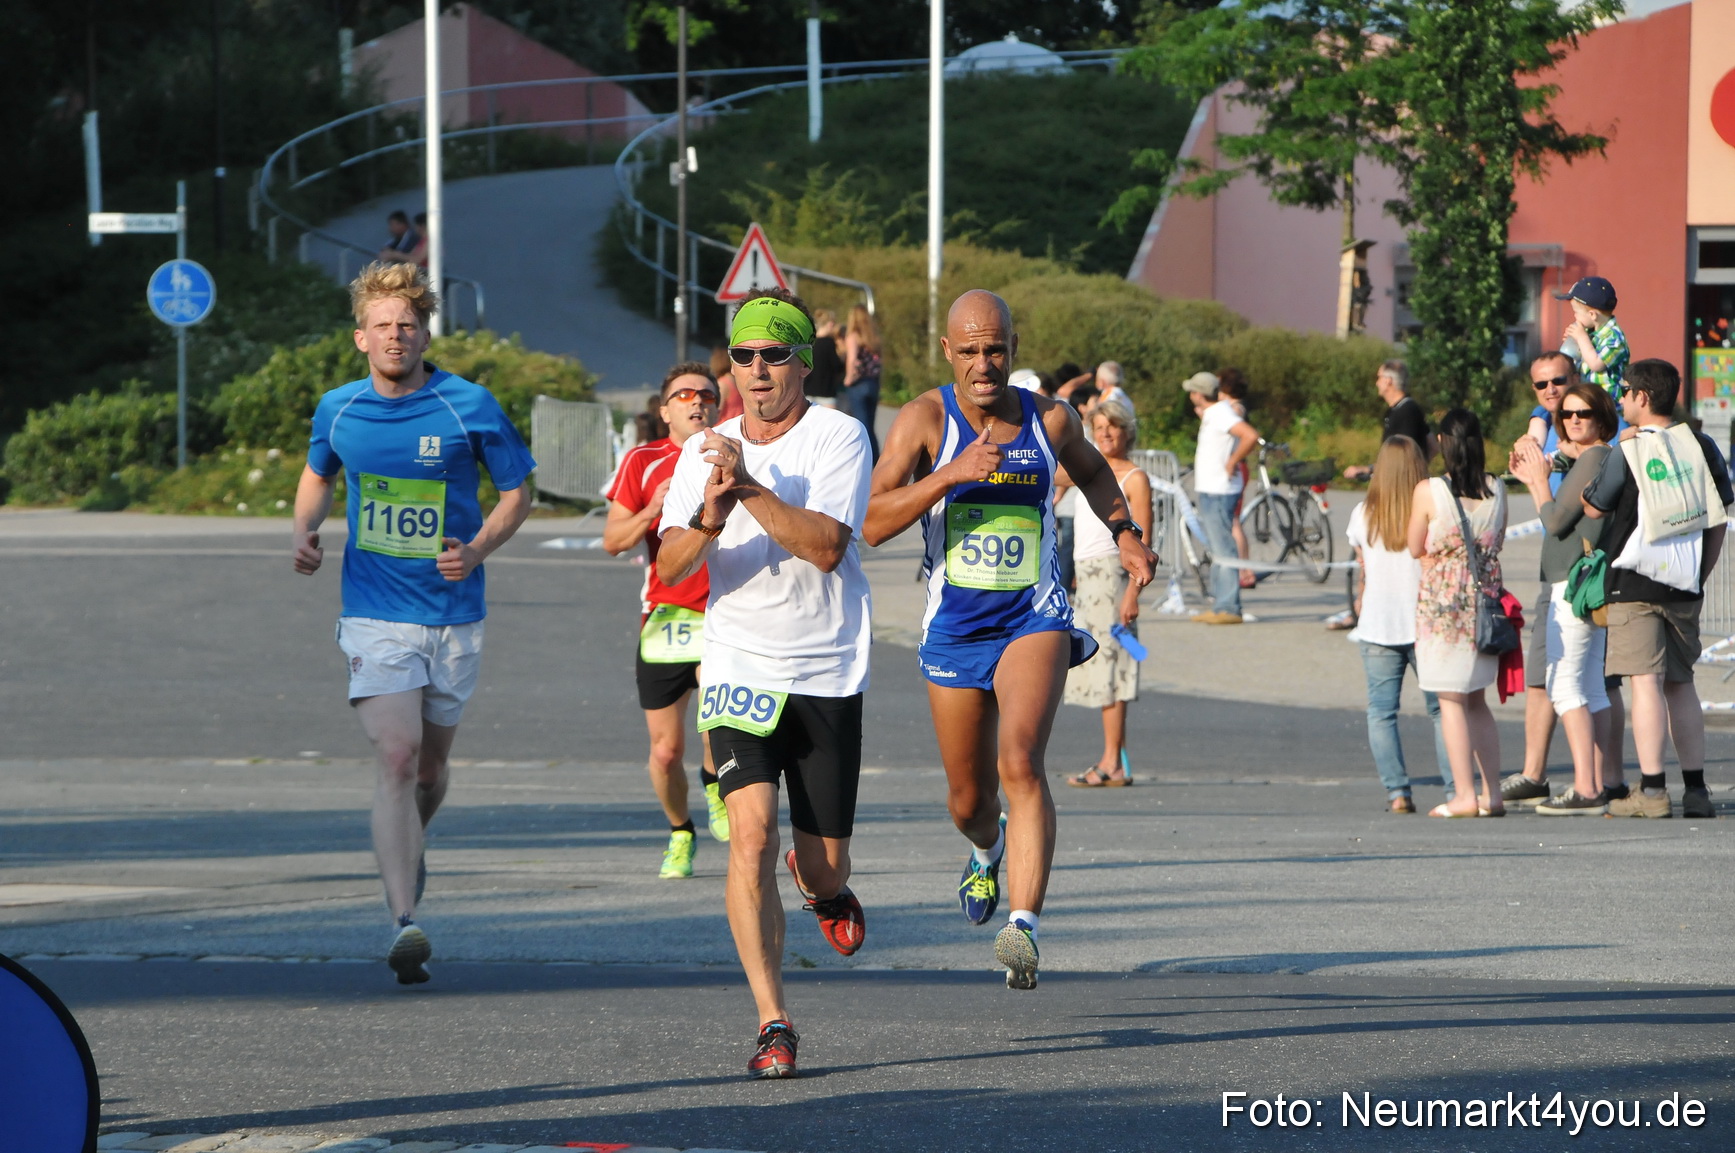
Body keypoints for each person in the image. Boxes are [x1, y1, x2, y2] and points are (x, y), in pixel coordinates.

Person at [864, 289, 1157, 991]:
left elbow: (1091, 472)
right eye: (968, 350)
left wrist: (1126, 535)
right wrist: (947, 476)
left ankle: (1021, 927)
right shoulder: (924, 418)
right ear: (947, 352)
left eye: (994, 348)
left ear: (1012, 348)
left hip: (1034, 616)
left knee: (1020, 761)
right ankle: (985, 847)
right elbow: (871, 521)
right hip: (954, 628)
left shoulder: (1048, 417)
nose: (982, 363)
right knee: (967, 799)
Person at [291, 261, 536, 983]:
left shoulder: (468, 404)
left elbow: (518, 490)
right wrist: (305, 530)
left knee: (428, 769)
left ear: (425, 333)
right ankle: (405, 918)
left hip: (454, 615)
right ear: (360, 338)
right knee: (395, 756)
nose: (396, 336)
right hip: (374, 612)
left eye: (408, 325)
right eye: (383, 326)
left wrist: (479, 547)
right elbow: (317, 474)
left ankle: (406, 842)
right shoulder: (338, 409)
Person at [656, 289, 874, 1078]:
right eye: (743, 356)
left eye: (773, 354)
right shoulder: (699, 452)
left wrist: (747, 487)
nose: (756, 370)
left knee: (821, 865)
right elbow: (667, 567)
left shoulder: (838, 436)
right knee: (748, 837)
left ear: (802, 363)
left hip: (825, 667)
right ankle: (772, 1019)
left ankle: (823, 892)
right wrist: (710, 517)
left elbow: (824, 547)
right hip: (738, 667)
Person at [1583, 358, 1732, 819]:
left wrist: (1614, 451)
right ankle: (1696, 789)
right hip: (1684, 583)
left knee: (1643, 682)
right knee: (1681, 684)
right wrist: (1700, 576)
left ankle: (1651, 791)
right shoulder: (1702, 445)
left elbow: (1593, 508)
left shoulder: (1628, 448)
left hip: (1634, 582)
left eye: (1626, 392)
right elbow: (1719, 517)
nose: (1622, 399)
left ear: (1643, 397)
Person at [602, 363, 730, 876]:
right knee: (663, 749)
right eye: (682, 395)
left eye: (705, 394)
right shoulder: (643, 460)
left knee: (718, 725)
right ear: (664, 410)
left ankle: (715, 782)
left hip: (722, 611)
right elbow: (614, 541)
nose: (695, 401)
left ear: (718, 406)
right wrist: (649, 510)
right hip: (666, 614)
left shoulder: (735, 454)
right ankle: (681, 831)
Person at [1510, 383, 1617, 814]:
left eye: (1584, 414)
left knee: (1564, 685)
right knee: (1593, 688)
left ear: (1602, 418)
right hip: (1590, 582)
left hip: (1570, 582)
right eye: (1567, 414)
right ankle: (1602, 780)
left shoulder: (1594, 457)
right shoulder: (1603, 456)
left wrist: (1538, 483)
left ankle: (1586, 787)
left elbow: (1555, 521)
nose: (1573, 420)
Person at [1407, 409, 1508, 818]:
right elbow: (1496, 541)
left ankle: (1464, 795)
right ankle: (1492, 794)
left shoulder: (1430, 490)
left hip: (1444, 607)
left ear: (1445, 444)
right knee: (1477, 701)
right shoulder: (1498, 489)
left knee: (1450, 700)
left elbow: (1415, 545)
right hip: (1485, 603)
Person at [1346, 436, 1449, 813]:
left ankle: (1398, 792)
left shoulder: (1362, 514)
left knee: (1381, 712)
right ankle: (1455, 789)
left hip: (1377, 623)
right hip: (1424, 623)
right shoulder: (1433, 508)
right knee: (1441, 711)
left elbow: (1363, 572)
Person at [1059, 398, 1152, 788]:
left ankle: (1112, 760)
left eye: (1113, 426)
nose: (1106, 434)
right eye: (1099, 429)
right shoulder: (1086, 472)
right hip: (1089, 578)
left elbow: (1144, 543)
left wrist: (1132, 594)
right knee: (1102, 668)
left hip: (1114, 579)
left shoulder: (1134, 478)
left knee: (1113, 669)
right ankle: (1115, 757)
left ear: (1127, 431)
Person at [1504, 353, 1576, 808]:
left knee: (1592, 682)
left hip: (1587, 567)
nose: (1550, 390)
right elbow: (1535, 425)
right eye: (1540, 385)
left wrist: (1537, 479)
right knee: (1540, 673)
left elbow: (1555, 515)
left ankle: (1599, 779)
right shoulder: (1545, 419)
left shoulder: (1593, 420)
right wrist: (1531, 436)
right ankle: (1534, 772)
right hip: (1553, 568)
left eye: (1559, 381)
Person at [1185, 369, 1259, 623]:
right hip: (1211, 488)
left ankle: (1229, 607)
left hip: (1219, 490)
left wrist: (1233, 461)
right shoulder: (1214, 412)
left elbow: (1250, 435)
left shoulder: (1220, 412)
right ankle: (1220, 604)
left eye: (1193, 391)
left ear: (1199, 393)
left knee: (1223, 548)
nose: (1190, 395)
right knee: (1217, 549)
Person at [1343, 360, 1432, 481]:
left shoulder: (1406, 412)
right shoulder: (1402, 409)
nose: (1376, 383)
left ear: (1388, 380)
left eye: (1379, 377)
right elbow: (1433, 445)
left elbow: (1401, 456)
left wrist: (1368, 469)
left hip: (1401, 487)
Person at [1555, 276, 1629, 398]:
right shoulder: (1590, 333)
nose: (1574, 316)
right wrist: (1574, 344)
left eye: (1576, 312)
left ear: (1592, 315)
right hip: (1588, 398)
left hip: (1608, 403)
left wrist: (1582, 339)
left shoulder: (1614, 338)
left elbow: (1596, 364)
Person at [839, 304, 883, 461]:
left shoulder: (853, 336)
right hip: (873, 383)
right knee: (870, 426)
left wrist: (848, 379)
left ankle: (863, 460)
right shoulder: (873, 337)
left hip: (858, 384)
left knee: (860, 426)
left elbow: (852, 360)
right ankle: (877, 462)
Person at [805, 310, 845, 408]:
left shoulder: (809, 343)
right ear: (830, 324)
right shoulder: (829, 343)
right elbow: (837, 367)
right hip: (826, 393)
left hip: (808, 392)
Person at [709, 346, 746, 422]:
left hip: (724, 428)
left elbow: (716, 413)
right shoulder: (738, 380)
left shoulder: (722, 384)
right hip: (738, 425)